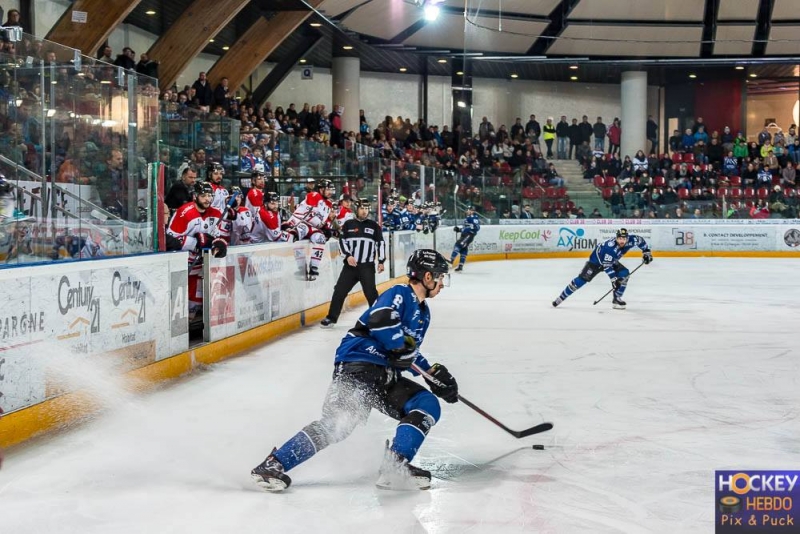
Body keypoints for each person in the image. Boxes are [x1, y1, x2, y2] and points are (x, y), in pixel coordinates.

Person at [251, 249, 456, 492]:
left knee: (427, 403)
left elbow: (408, 351)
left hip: (386, 377)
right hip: (359, 365)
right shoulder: (400, 294)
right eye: (441, 277)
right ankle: (273, 465)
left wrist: (432, 374)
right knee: (339, 423)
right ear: (428, 276)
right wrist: (399, 347)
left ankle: (395, 466)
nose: (443, 283)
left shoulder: (423, 313)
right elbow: (381, 320)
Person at [165, 181, 229, 324]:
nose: (207, 199)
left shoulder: (216, 213)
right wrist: (195, 242)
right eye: (203, 195)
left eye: (210, 196)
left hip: (200, 268)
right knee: (178, 309)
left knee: (193, 309)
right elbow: (169, 240)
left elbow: (218, 236)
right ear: (195, 196)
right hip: (183, 267)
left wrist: (219, 243)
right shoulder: (184, 213)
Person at [320, 199, 386, 328]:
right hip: (350, 267)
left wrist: (381, 261)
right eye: (362, 208)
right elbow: (342, 241)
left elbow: (381, 243)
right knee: (339, 291)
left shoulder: (373, 225)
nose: (365, 211)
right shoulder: (348, 224)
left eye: (367, 208)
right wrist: (348, 255)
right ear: (357, 209)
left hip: (367, 266)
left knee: (371, 293)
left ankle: (378, 319)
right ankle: (331, 318)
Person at [552, 228, 652, 310]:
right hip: (595, 263)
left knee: (624, 274)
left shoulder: (632, 240)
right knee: (580, 281)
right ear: (616, 238)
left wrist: (646, 252)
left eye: (624, 239)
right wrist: (614, 280)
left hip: (611, 261)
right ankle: (561, 298)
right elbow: (607, 266)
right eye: (620, 238)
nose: (622, 241)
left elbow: (641, 241)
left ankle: (617, 298)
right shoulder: (610, 248)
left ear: (627, 238)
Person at [449, 205, 481, 272]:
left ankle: (450, 261)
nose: (467, 211)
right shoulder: (468, 217)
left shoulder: (474, 217)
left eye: (469, 210)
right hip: (465, 235)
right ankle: (460, 266)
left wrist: (470, 229)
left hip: (469, 235)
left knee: (458, 244)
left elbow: (477, 228)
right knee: (463, 249)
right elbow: (465, 228)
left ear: (472, 211)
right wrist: (459, 230)